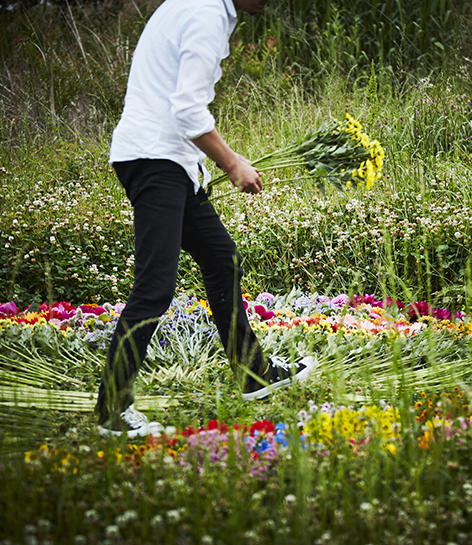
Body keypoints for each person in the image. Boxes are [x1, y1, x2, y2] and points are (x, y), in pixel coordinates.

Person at [95, 0, 315, 438]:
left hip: (169, 161)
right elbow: (187, 110)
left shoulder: (196, 7)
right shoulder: (205, 14)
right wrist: (232, 164)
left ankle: (253, 373)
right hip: (155, 159)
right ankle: (112, 412)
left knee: (220, 258)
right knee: (154, 287)